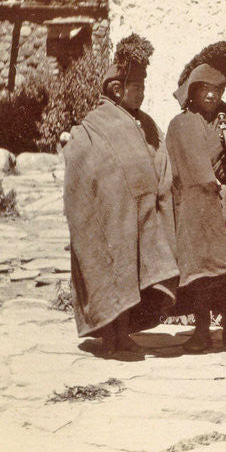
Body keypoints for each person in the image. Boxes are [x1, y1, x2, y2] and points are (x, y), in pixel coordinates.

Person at [63, 33, 177, 355]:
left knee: (133, 274)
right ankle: (110, 335)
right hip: (110, 215)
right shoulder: (95, 124)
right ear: (117, 90)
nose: (141, 93)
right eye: (136, 87)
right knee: (113, 270)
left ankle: (123, 333)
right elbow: (82, 159)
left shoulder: (146, 123)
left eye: (143, 86)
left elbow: (158, 157)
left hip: (140, 214)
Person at [166, 41, 226, 352]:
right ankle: (202, 329)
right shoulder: (180, 125)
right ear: (192, 91)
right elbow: (189, 166)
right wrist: (219, 151)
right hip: (197, 211)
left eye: (217, 90)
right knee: (203, 272)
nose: (211, 95)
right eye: (204, 88)